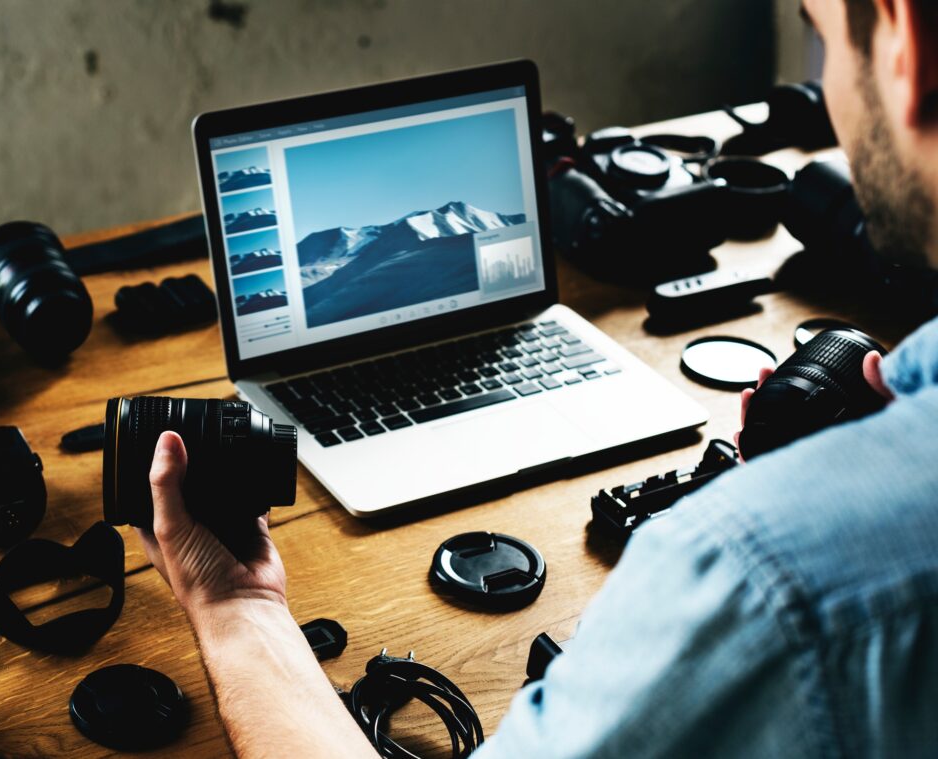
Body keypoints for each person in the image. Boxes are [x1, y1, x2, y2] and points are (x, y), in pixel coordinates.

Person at [139, 0, 938, 755]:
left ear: (903, 38)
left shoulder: (748, 578)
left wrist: (235, 605)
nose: (827, 85)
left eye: (824, 34)